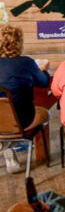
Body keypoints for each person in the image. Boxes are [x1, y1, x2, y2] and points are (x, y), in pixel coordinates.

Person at [0, 25, 50, 173]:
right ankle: (10, 146)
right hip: (23, 121)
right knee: (46, 113)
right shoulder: (26, 62)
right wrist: (44, 71)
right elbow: (43, 82)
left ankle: (5, 144)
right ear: (20, 43)